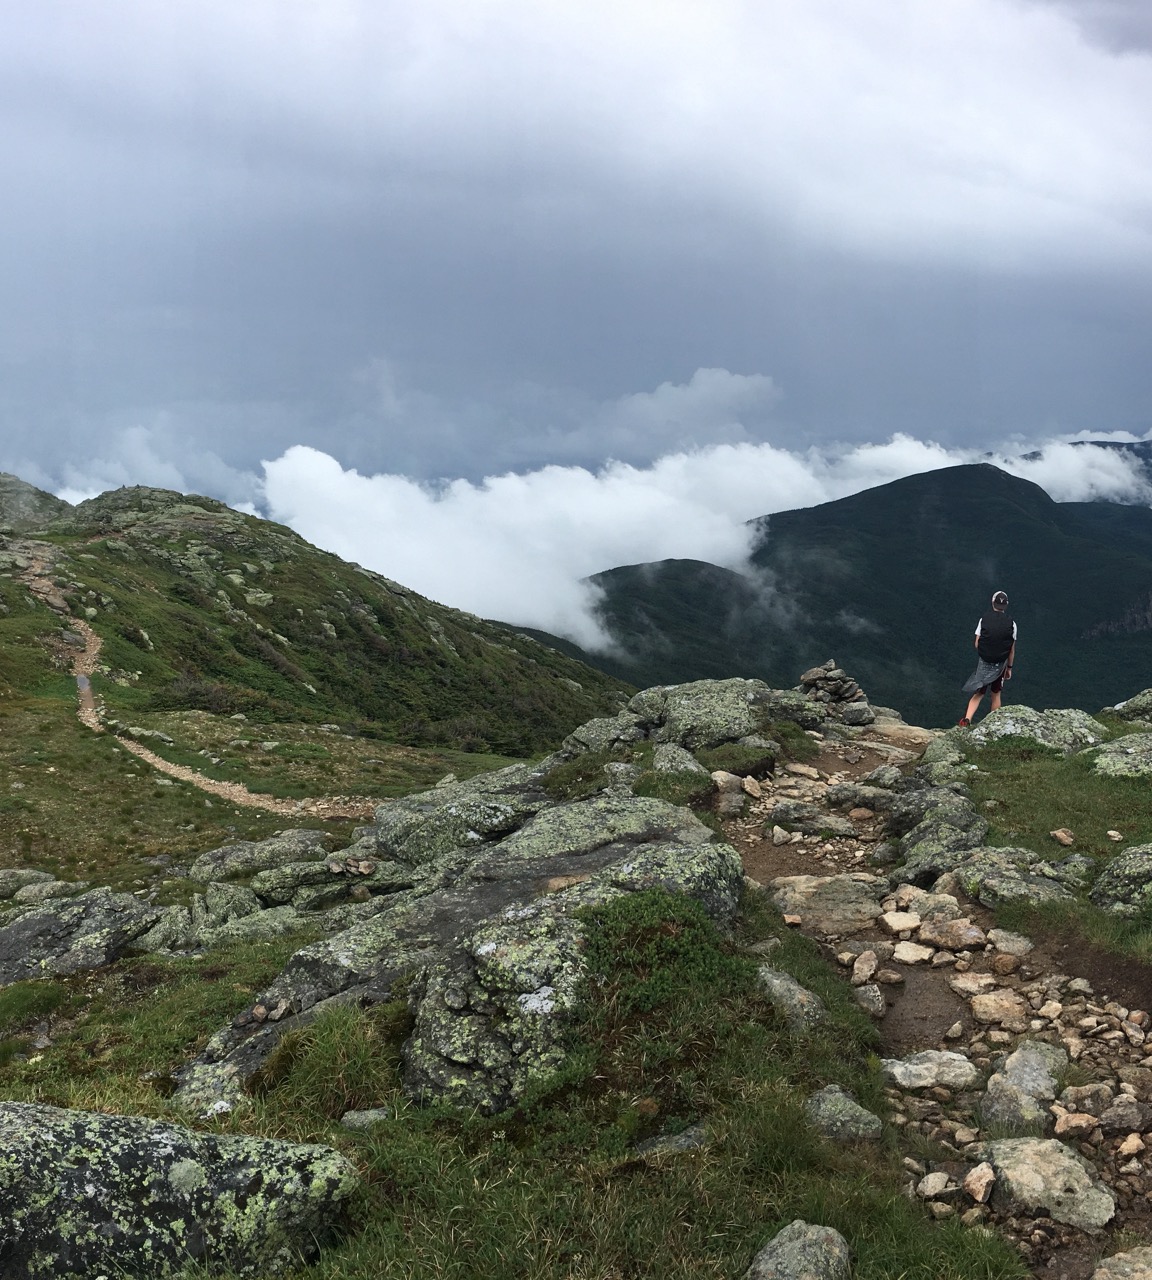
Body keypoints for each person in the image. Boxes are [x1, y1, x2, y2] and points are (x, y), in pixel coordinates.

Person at [958, 590, 1016, 726]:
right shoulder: (1012, 624)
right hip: (1000, 664)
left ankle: (966, 720)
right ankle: (994, 724)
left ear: (992, 603)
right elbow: (1011, 650)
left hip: (984, 662)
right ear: (1006, 605)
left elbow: (977, 643)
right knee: (996, 694)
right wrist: (1009, 668)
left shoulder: (983, 619)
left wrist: (986, 654)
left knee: (979, 693)